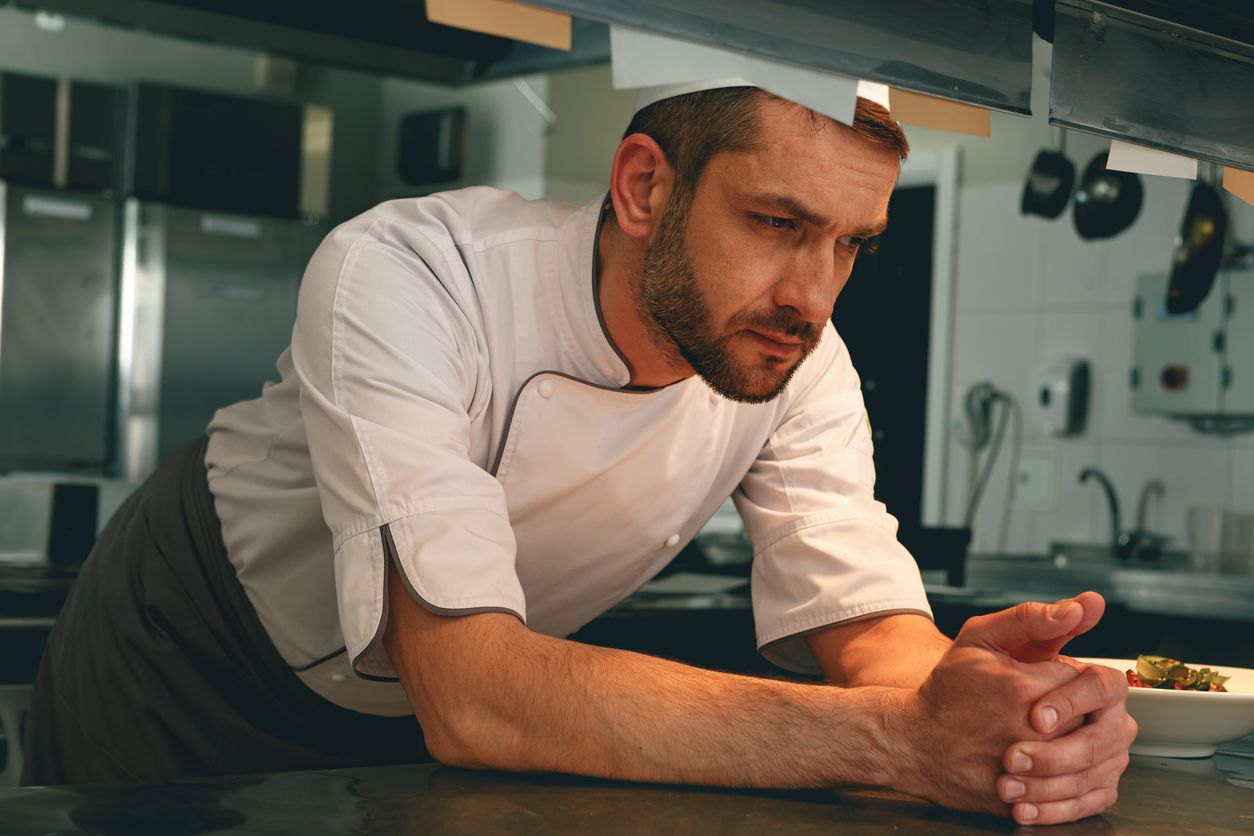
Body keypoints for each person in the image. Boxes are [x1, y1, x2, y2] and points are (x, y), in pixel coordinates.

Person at [23, 82, 1135, 826]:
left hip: (412, 718)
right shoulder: (415, 275)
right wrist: (900, 742)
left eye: (850, 245)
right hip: (184, 647)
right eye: (778, 223)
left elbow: (868, 627)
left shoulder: (799, 356)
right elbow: (471, 688)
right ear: (645, 186)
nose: (813, 293)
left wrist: (997, 710)